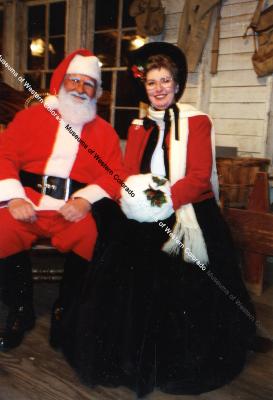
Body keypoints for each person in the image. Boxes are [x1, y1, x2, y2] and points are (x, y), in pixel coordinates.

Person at [58, 43, 256, 398]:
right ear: (145, 88)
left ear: (177, 85)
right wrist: (125, 197)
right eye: (152, 83)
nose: (159, 88)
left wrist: (164, 204)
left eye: (166, 81)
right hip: (144, 208)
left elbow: (197, 178)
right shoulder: (139, 124)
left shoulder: (196, 121)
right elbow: (128, 170)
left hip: (186, 208)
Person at [0, 49, 123, 351]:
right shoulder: (30, 118)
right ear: (62, 83)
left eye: (88, 84)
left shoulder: (104, 132)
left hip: (72, 210)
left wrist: (85, 200)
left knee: (93, 239)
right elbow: (3, 156)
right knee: (1, 231)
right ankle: (20, 310)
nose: (80, 89)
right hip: (27, 201)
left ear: (97, 92)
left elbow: (115, 175)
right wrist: (14, 198)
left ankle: (64, 309)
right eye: (75, 80)